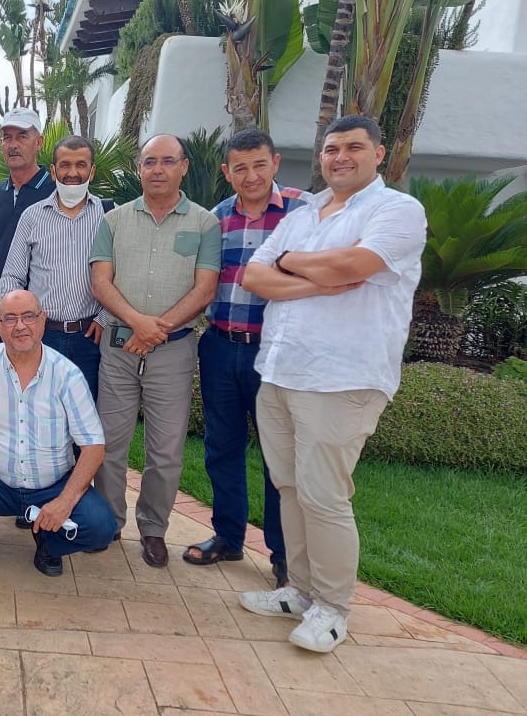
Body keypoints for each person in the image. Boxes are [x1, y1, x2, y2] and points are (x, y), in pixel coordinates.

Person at [237, 115, 426, 653]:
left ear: (378, 154)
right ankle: (300, 591)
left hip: (340, 377)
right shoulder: (303, 214)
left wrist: (291, 264)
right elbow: (255, 276)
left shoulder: (397, 210)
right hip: (280, 370)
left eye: (353, 147)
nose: (341, 157)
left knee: (324, 495)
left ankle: (333, 607)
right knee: (290, 487)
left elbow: (357, 263)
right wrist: (316, 279)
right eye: (332, 148)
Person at [183, 129, 309, 587]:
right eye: (240, 167)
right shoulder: (215, 219)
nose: (250, 175)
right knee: (222, 446)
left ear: (275, 163)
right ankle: (228, 536)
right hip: (220, 345)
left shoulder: (303, 211)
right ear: (227, 172)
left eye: (259, 165)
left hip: (275, 352)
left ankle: (283, 554)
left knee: (279, 454)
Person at [90, 134, 221, 566]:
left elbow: (204, 289)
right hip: (119, 348)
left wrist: (154, 330)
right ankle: (108, 522)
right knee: (109, 443)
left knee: (165, 451)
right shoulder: (113, 220)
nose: (158, 169)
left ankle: (152, 528)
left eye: (167, 161)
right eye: (150, 162)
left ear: (183, 167)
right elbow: (101, 282)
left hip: (173, 352)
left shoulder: (204, 224)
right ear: (139, 168)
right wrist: (138, 323)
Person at [0, 290, 116, 576]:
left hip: (52, 485)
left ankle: (48, 542)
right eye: (10, 318)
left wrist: (64, 502)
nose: (20, 326)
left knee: (101, 526)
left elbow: (94, 446)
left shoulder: (67, 375)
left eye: (29, 316)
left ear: (42, 320)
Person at [0, 134, 110, 397]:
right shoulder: (32, 216)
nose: (72, 173)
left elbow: (122, 276)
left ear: (92, 171)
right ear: (53, 171)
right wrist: (21, 322)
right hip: (42, 336)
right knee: (37, 410)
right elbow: (12, 276)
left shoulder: (108, 216)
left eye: (81, 165)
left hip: (90, 338)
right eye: (65, 165)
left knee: (83, 413)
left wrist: (105, 318)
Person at [0, 108, 56, 350]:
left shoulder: (56, 193)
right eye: (7, 137)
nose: (13, 145)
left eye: (22, 136)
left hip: (42, 317)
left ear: (39, 142)